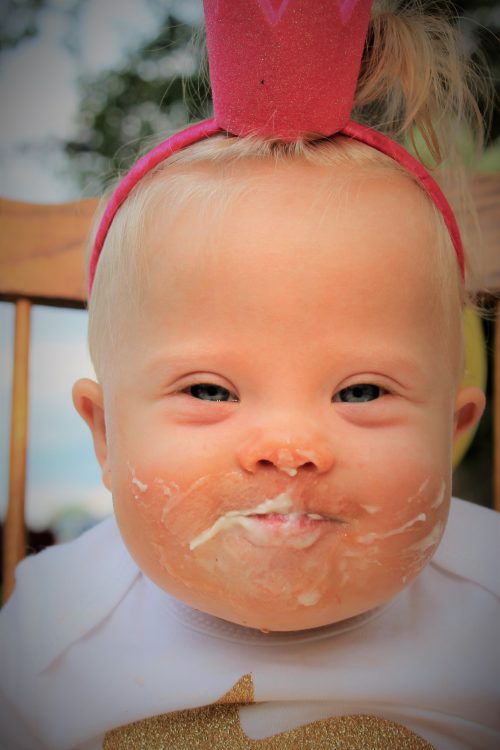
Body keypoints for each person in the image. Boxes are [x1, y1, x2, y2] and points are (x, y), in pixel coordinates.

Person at [1, 1, 499, 748]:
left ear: (451, 428)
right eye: (209, 390)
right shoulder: (52, 624)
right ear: (106, 437)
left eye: (360, 391)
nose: (291, 447)